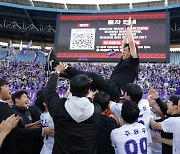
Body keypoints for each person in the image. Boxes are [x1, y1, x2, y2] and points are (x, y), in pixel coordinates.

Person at [45, 17, 139, 101]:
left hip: (116, 91)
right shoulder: (124, 59)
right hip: (110, 85)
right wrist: (127, 31)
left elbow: (131, 42)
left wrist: (128, 27)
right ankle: (55, 71)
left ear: (131, 52)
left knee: (93, 76)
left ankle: (59, 65)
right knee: (85, 79)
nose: (123, 51)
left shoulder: (134, 62)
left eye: (125, 50)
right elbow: (125, 43)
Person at [44, 63, 102, 154]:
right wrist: (89, 95)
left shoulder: (58, 107)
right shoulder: (96, 110)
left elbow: (49, 91)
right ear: (88, 91)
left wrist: (56, 72)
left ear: (70, 88)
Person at [0, 78, 54, 154]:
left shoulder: (8, 107)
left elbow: (13, 129)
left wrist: (27, 127)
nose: (9, 88)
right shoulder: (3, 107)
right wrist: (42, 131)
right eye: (6, 86)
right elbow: (13, 133)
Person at [110, 83, 152, 153]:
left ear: (129, 96)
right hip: (146, 145)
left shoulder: (121, 108)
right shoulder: (145, 103)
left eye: (125, 93)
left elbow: (108, 103)